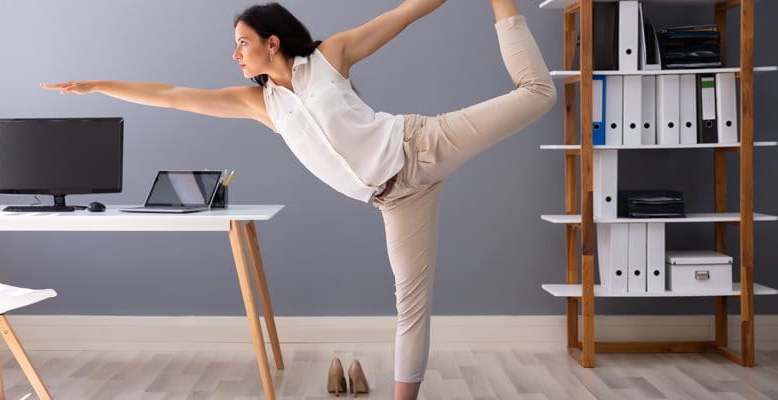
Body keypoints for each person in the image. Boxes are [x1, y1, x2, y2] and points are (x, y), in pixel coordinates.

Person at [41, 1, 555, 398]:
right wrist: (100, 86)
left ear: (272, 41)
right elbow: (173, 94)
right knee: (411, 307)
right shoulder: (259, 103)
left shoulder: (329, 58)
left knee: (537, 94)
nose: (235, 54)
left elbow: (406, 12)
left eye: (242, 43)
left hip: (419, 144)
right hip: (395, 200)